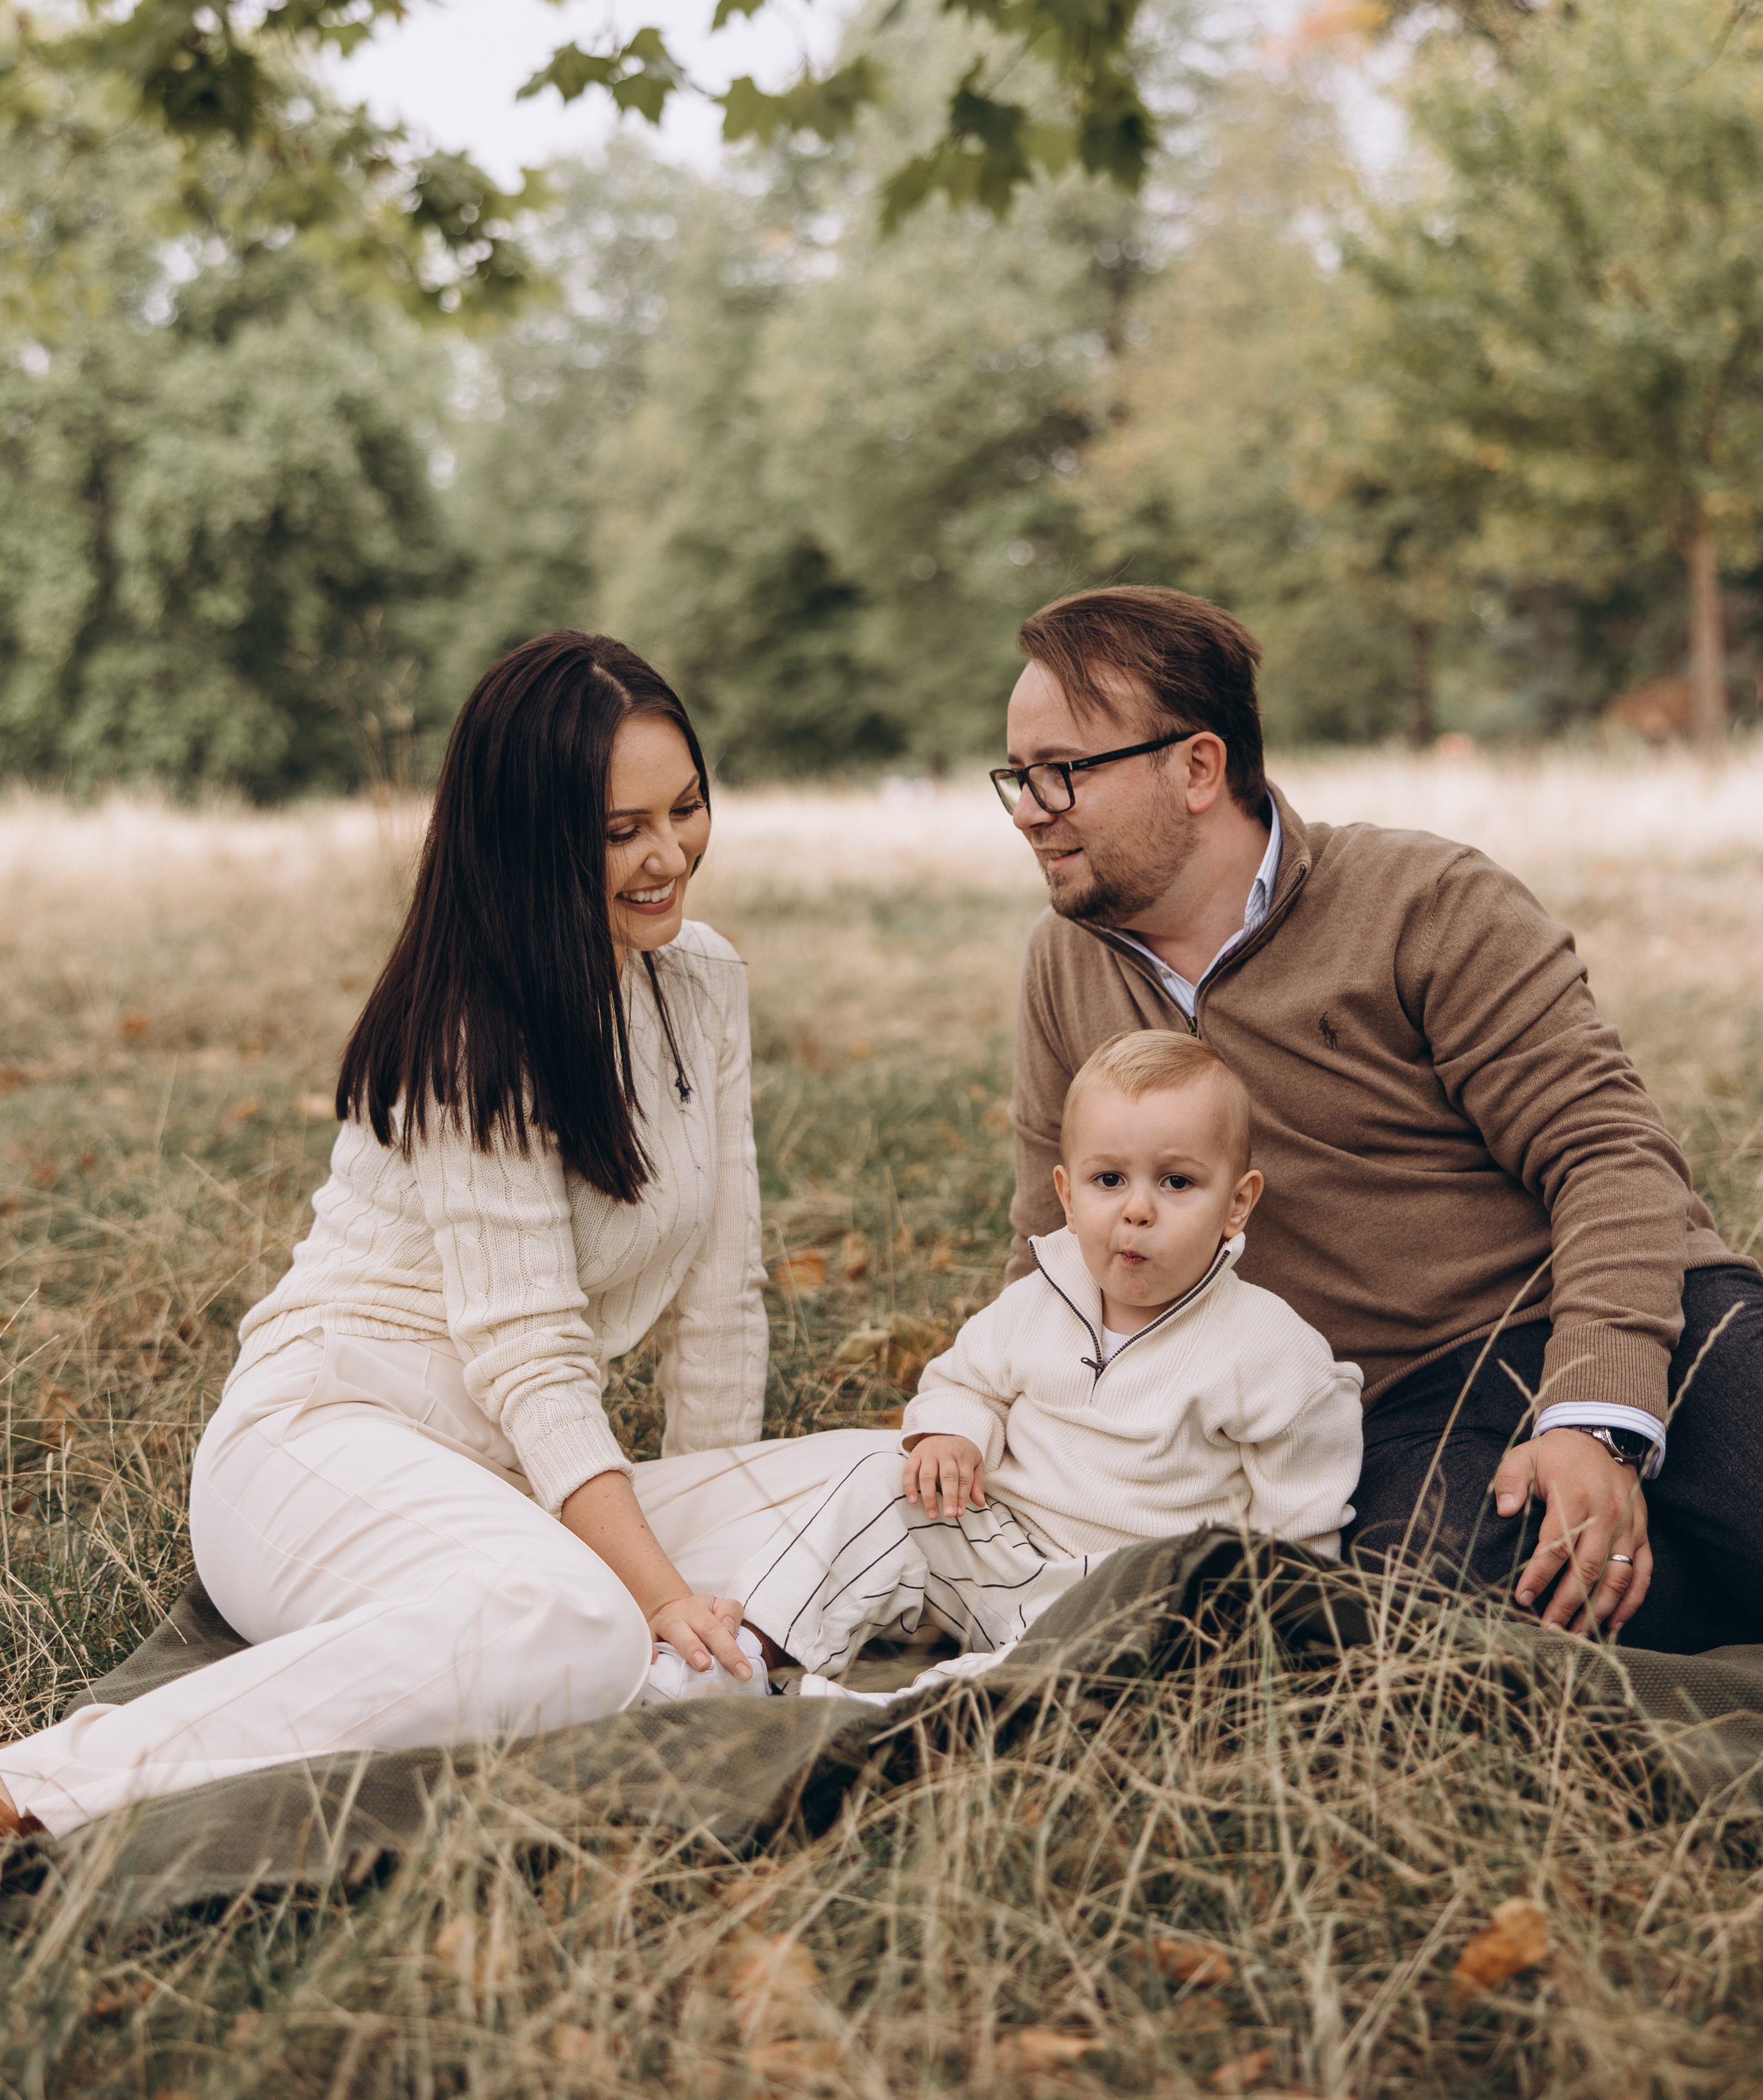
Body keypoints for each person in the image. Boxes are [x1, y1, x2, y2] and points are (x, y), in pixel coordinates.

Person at [0, 631, 893, 1841]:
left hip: (520, 1483)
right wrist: (655, 1590)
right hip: (324, 1443)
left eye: (686, 808)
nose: (670, 854)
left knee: (880, 1476)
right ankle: (47, 1782)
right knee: (577, 1618)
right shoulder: (475, 1027)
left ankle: (658, 1669)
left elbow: (721, 1299)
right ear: (531, 837)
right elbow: (530, 1353)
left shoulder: (702, 980)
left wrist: (702, 1579)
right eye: (620, 829)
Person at [995, 585, 1763, 1653]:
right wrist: (996, 1439)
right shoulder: (1063, 966)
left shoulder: (1424, 899)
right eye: (1018, 775)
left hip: (1624, 1309)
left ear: (1198, 767)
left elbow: (1608, 1155)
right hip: (1401, 1407)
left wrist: (1594, 1414)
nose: (1029, 808)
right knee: (1418, 1623)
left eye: (1062, 770)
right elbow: (1053, 1245)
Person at [698, 1032, 1361, 1685]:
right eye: (1109, 1179)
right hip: (1002, 1549)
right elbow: (964, 1382)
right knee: (879, 1482)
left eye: (1177, 1181)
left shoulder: (1271, 1350)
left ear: (1237, 1204)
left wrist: (1264, 1630)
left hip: (1126, 1599)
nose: (1137, 1209)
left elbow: (1299, 1528)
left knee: (1078, 1661)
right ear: (1068, 1197)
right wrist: (952, 1435)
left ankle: (902, 1716)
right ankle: (749, 1650)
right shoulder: (1042, 1297)